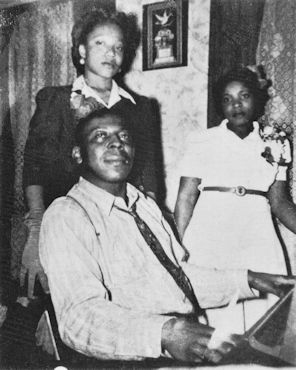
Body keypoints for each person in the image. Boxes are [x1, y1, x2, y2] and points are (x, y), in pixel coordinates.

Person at [39, 106, 295, 364]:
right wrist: (165, 333)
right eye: (101, 136)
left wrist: (249, 279)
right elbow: (78, 320)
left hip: (180, 348)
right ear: (78, 154)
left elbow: (178, 276)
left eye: (125, 137)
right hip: (133, 359)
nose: (116, 144)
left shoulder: (145, 206)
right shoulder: (66, 215)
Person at [21, 8, 163, 298]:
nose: (110, 53)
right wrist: (36, 230)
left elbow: (150, 179)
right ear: (82, 51)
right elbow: (35, 167)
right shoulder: (55, 101)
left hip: (120, 230)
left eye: (118, 47)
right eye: (101, 43)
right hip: (67, 228)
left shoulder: (141, 109)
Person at [174, 66, 296, 333]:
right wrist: (178, 249)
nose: (236, 105)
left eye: (244, 96)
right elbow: (185, 198)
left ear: (258, 99)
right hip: (210, 231)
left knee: (261, 320)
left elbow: (280, 202)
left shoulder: (276, 143)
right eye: (227, 99)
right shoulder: (202, 140)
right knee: (215, 318)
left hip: (257, 233)